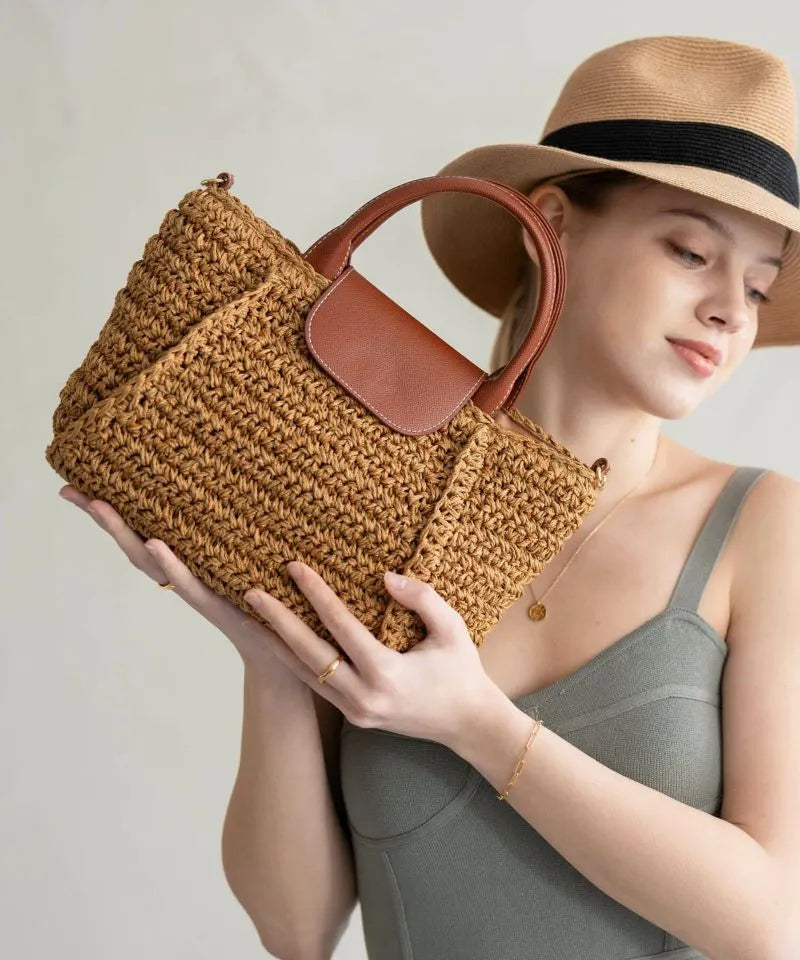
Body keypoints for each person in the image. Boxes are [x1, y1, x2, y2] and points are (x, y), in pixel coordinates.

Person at [58, 34, 800, 960]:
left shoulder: (763, 528)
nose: (733, 308)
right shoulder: (380, 491)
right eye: (692, 251)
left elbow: (773, 924)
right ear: (555, 224)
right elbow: (295, 929)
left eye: (762, 286)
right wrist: (275, 667)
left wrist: (478, 726)